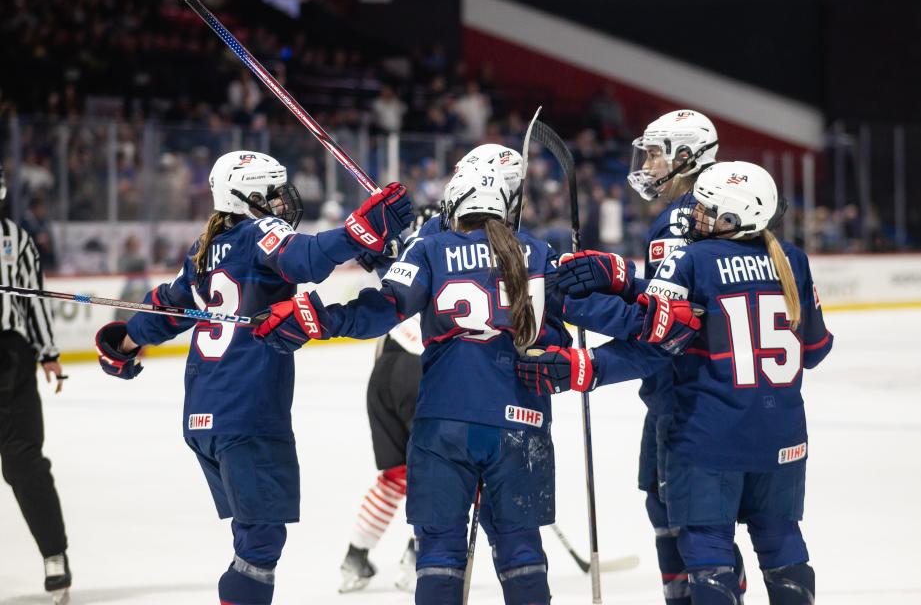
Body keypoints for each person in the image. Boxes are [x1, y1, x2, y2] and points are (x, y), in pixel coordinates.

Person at [92, 151, 413, 605]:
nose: (284, 201)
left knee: (254, 540)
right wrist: (361, 228)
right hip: (249, 414)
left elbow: (166, 307)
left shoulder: (206, 248)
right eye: (275, 192)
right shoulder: (260, 231)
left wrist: (125, 342)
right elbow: (305, 259)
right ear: (250, 196)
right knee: (259, 547)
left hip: (205, 414)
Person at [256, 161, 580, 605]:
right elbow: (579, 325)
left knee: (439, 555)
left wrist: (322, 319)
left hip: (441, 418)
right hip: (520, 420)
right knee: (521, 554)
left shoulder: (429, 247)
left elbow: (384, 308)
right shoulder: (538, 251)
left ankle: (361, 554)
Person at [527, 161, 832, 605]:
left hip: (709, 437)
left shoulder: (691, 259)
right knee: (780, 540)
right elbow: (816, 349)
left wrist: (583, 351)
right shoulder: (792, 260)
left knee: (708, 554)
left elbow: (654, 338)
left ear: (736, 217)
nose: (694, 216)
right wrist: (623, 281)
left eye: (709, 211)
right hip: (783, 439)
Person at [564, 108, 734, 604]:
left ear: (687, 156)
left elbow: (665, 323)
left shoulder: (678, 222)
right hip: (693, 387)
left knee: (691, 521)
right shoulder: (712, 211)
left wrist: (586, 310)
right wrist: (611, 282)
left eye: (657, 153)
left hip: (684, 390)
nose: (648, 164)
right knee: (670, 508)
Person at [338, 204, 441, 595]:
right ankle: (419, 559)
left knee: (396, 475)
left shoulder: (401, 258)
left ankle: (355, 558)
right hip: (420, 372)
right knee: (440, 475)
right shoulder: (449, 253)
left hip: (385, 372)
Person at [0, 165, 72, 604]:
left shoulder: (15, 239)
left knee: (23, 462)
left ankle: (54, 555)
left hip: (10, 358)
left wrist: (48, 352)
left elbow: (34, 300)